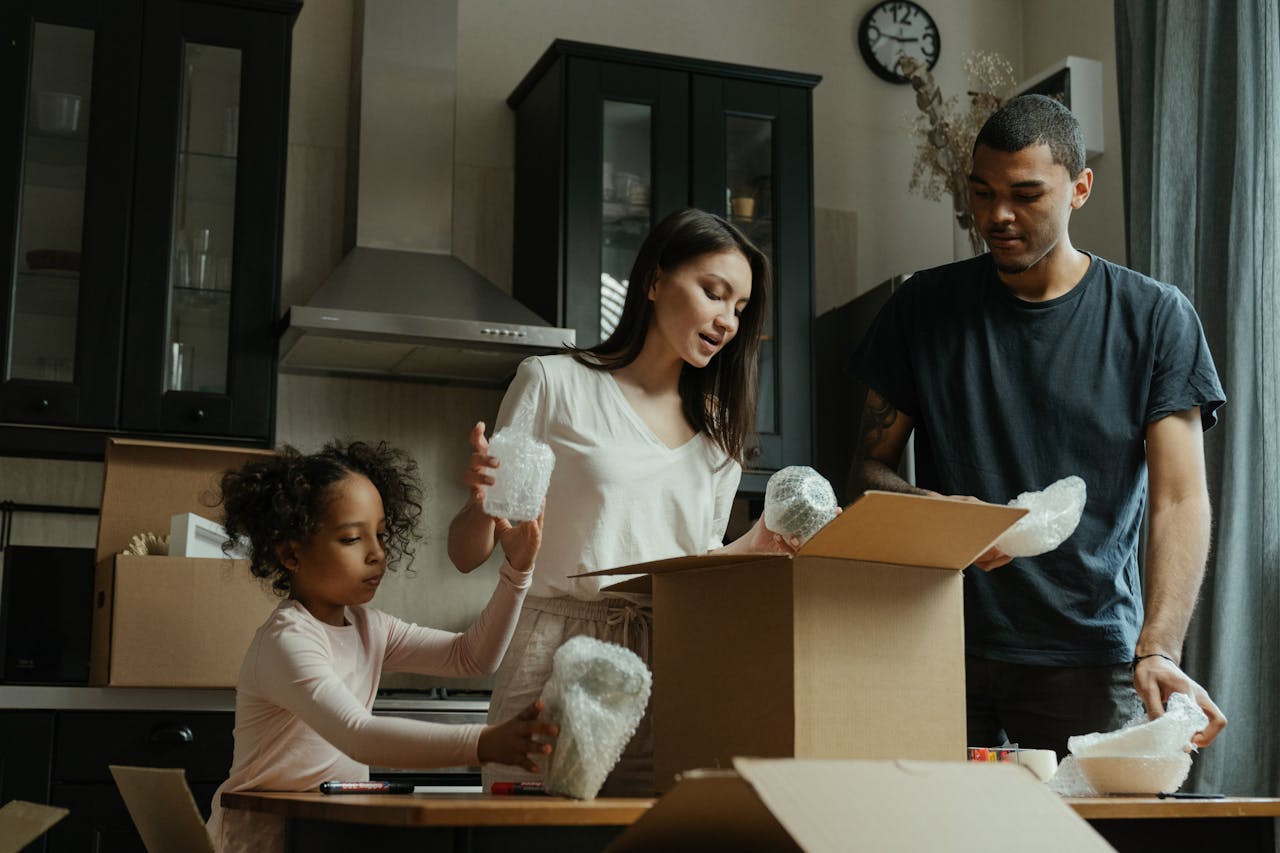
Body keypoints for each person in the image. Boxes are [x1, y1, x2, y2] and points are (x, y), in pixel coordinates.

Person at [848, 94, 1228, 759]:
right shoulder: (921, 307)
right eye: (982, 193)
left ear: (1079, 188)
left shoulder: (1156, 318)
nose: (996, 216)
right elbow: (865, 472)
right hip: (934, 644)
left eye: (1025, 194)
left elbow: (1179, 497)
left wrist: (1159, 645)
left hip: (1088, 656)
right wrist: (943, 515)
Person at [448, 207, 795, 795]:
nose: (728, 321)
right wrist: (482, 502)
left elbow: (696, 564)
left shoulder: (720, 434)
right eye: (714, 293)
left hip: (669, 667)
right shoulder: (554, 383)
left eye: (740, 309)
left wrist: (761, 543)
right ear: (654, 282)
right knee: (531, 842)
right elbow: (466, 554)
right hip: (555, 653)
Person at [206, 440, 557, 853]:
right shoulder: (288, 641)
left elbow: (472, 657)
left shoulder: (370, 628)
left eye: (381, 534)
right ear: (290, 555)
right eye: (353, 539)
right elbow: (359, 735)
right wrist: (481, 743)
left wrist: (517, 570)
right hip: (259, 841)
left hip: (328, 833)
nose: (378, 553)